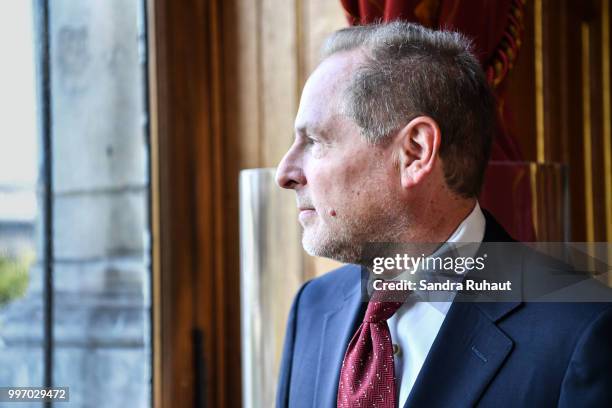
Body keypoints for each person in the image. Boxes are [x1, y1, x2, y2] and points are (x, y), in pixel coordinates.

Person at [274, 22, 612, 407]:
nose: (285, 173)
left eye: (315, 141)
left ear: (416, 152)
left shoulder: (582, 331)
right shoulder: (313, 307)